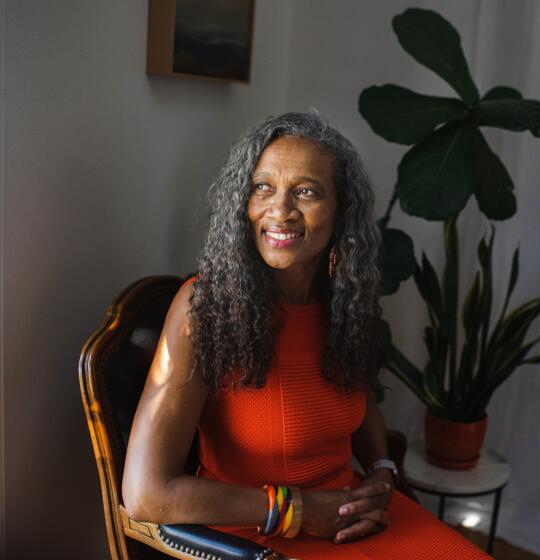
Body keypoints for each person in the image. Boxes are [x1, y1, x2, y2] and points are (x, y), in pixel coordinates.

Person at [122, 112, 491, 559]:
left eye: (307, 192)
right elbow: (146, 493)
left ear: (342, 212)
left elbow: (358, 398)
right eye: (263, 187)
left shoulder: (343, 298)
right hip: (255, 538)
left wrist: (381, 469)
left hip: (349, 519)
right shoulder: (203, 308)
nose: (280, 209)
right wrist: (296, 510)